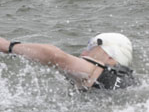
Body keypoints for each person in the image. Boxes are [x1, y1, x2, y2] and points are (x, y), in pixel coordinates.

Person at [0, 33, 139, 90]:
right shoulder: (127, 80)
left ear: (110, 56)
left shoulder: (102, 71)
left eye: (91, 47)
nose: (84, 53)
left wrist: (8, 46)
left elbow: (56, 57)